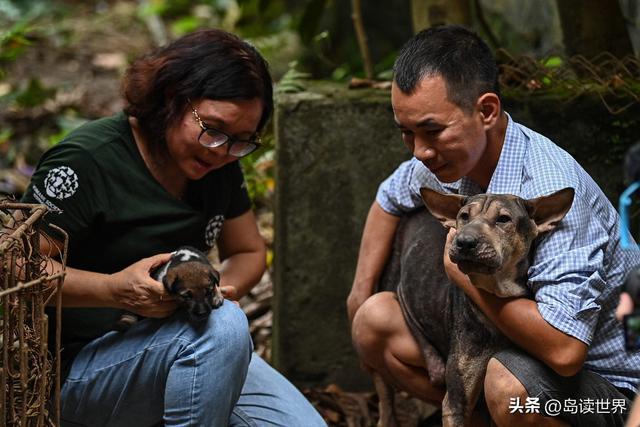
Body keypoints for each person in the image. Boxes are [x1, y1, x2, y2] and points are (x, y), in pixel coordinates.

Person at [22, 29, 326, 426]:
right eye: (213, 129)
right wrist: (115, 291)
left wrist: (217, 292)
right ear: (171, 99)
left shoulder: (219, 161)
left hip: (189, 342)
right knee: (225, 327)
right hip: (76, 368)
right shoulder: (87, 160)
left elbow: (248, 252)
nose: (222, 151)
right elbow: (16, 271)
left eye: (242, 141)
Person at [348, 25, 640, 426]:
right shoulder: (445, 161)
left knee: (508, 386)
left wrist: (464, 278)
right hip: (524, 359)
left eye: (432, 131)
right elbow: (389, 197)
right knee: (372, 322)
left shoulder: (547, 192)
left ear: (485, 111)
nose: (420, 151)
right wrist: (359, 292)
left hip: (611, 397)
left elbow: (566, 353)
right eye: (407, 133)